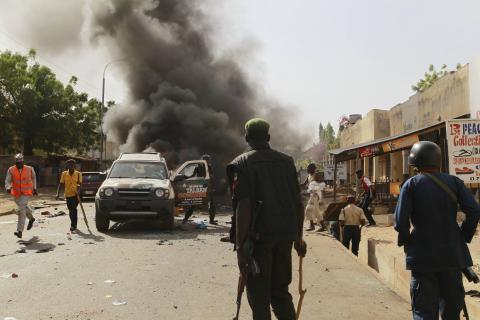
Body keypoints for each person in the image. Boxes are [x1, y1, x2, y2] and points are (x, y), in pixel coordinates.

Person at [228, 118, 306, 320]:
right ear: (268, 137)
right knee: (280, 293)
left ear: (247, 138)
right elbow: (298, 203)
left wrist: (240, 248)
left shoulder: (242, 164)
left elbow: (243, 207)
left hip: (258, 242)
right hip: (285, 238)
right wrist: (298, 237)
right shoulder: (287, 162)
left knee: (259, 297)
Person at [395, 141, 480, 320]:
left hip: (422, 258)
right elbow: (473, 210)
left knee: (424, 312)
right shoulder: (454, 182)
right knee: (451, 313)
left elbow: (401, 222)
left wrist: (406, 241)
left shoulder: (411, 185)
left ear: (415, 163)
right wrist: (463, 236)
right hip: (452, 257)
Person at [5, 153, 37, 239]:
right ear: (15, 162)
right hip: (16, 193)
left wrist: (34, 188)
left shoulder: (30, 169)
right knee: (23, 207)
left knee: (21, 211)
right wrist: (8, 187)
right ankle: (31, 218)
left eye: (20, 162)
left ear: (23, 161)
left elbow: (34, 178)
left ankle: (19, 231)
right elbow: (7, 180)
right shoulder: (11, 170)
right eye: (17, 163)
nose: (19, 164)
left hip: (26, 192)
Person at [182, 154, 217, 225]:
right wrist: (185, 177)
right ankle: (185, 219)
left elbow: (212, 177)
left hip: (207, 187)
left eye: (208, 160)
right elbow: (192, 176)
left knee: (212, 204)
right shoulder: (197, 167)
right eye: (206, 160)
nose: (207, 161)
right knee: (194, 203)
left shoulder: (209, 167)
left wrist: (212, 187)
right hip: (199, 187)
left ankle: (212, 220)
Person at [56, 159, 82, 232]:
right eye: (69, 165)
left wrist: (78, 191)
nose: (70, 166)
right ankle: (73, 223)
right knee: (71, 210)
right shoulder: (64, 173)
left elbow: (80, 184)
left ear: (74, 165)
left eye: (72, 165)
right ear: (67, 165)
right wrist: (57, 193)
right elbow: (61, 184)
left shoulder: (78, 174)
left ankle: (73, 225)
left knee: (73, 209)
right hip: (67, 195)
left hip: (75, 195)